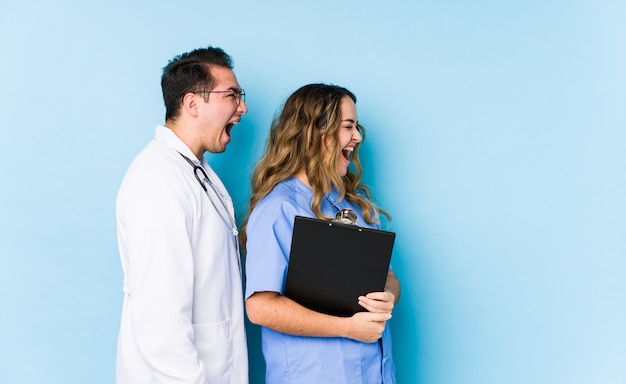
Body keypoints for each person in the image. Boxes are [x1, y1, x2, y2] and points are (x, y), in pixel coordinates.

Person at [242, 83, 400, 383]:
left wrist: (389, 295)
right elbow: (260, 308)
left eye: (357, 127)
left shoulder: (355, 206)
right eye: (348, 126)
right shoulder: (279, 208)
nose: (357, 137)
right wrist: (347, 328)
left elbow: (388, 277)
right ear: (317, 131)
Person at [115, 46, 249, 383]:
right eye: (232, 95)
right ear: (192, 103)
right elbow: (160, 317)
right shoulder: (158, 181)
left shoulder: (194, 171)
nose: (242, 108)